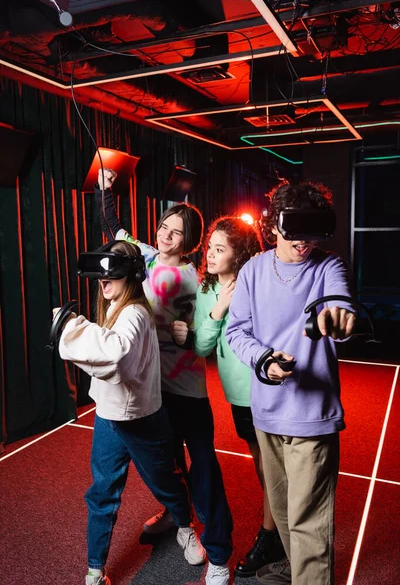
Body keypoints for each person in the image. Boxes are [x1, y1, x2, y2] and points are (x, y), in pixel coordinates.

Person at [94, 169, 233, 585]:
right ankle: (179, 520)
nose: (167, 235)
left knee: (203, 467)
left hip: (187, 389)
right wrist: (105, 189)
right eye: (163, 227)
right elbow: (113, 228)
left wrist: (189, 335)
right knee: (167, 466)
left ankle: (220, 555)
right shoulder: (144, 258)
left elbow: (213, 334)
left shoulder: (201, 277)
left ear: (190, 240)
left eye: (177, 232)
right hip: (152, 390)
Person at [225, 180, 356, 585]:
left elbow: (339, 303)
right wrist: (263, 359)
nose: (305, 241)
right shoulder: (252, 270)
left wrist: (336, 317)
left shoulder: (328, 266)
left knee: (310, 523)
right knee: (282, 512)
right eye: (296, 230)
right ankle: (295, 570)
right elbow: (236, 331)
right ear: (275, 226)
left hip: (312, 416)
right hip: (267, 414)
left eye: (314, 231)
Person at [55, 240, 204, 585]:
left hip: (141, 418)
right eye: (100, 279)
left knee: (165, 481)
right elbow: (102, 364)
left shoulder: (136, 313)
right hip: (108, 417)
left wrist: (70, 328)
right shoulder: (110, 307)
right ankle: (95, 569)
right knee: (102, 493)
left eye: (111, 278)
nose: (103, 285)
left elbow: (115, 354)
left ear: (131, 277)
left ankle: (184, 525)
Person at [192, 216, 286, 578]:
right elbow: (201, 345)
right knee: (264, 466)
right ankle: (277, 531)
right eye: (209, 248)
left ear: (239, 254)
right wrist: (218, 309)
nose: (211, 255)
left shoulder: (257, 282)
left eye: (220, 249)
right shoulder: (206, 291)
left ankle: (271, 536)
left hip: (266, 387)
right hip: (237, 395)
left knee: (270, 468)